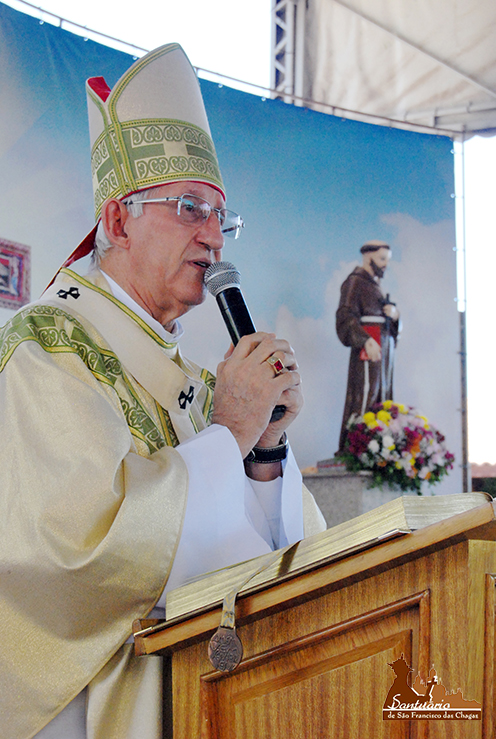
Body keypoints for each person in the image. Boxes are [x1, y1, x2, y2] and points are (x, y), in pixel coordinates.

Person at [0, 44, 325, 739]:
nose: (213, 238)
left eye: (220, 217)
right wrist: (232, 434)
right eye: (188, 208)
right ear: (117, 221)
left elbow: (271, 558)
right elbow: (75, 555)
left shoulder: (192, 379)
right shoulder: (49, 345)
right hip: (92, 708)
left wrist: (266, 451)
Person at [336, 240, 400, 453]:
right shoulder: (354, 282)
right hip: (370, 347)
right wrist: (365, 339)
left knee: (382, 395)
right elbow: (345, 316)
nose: (384, 265)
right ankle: (355, 447)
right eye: (382, 259)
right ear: (367, 257)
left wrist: (394, 315)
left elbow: (387, 322)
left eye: (387, 260)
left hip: (383, 349)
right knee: (365, 394)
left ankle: (377, 445)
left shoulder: (374, 285)